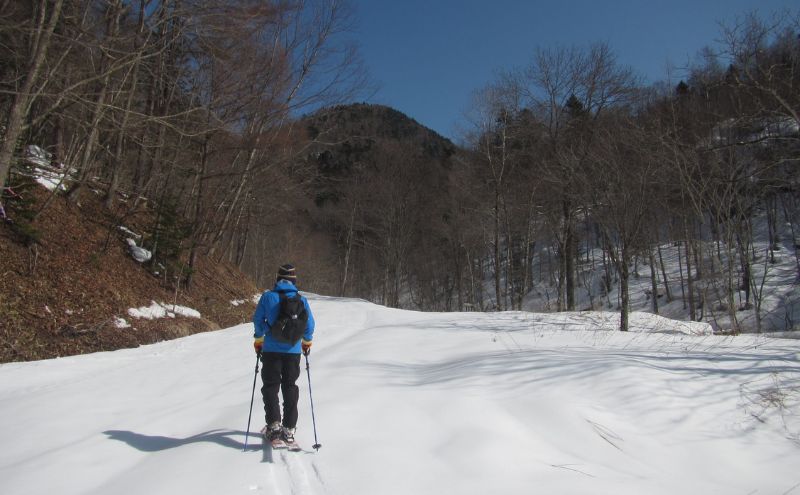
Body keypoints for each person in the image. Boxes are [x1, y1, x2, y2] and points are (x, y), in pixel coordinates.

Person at [252, 263, 315, 447]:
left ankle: (273, 425)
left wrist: (260, 338)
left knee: (271, 386)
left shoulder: (267, 297)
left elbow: (258, 320)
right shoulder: (301, 300)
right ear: (294, 280)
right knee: (290, 386)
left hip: (271, 350)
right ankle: (289, 428)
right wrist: (306, 342)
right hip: (293, 352)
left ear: (278, 279)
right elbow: (309, 325)